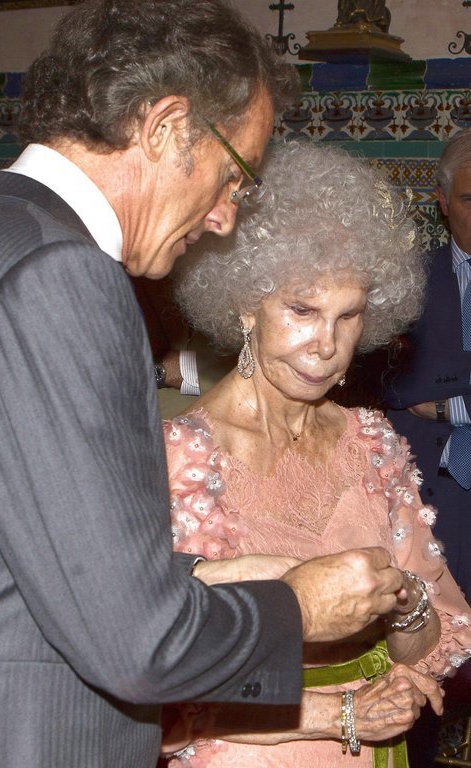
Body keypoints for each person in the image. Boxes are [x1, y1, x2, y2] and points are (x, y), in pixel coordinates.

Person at [0, 2, 408, 767]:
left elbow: (16, 556)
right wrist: (298, 608)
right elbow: (136, 647)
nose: (223, 220)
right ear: (167, 127)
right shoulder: (64, 273)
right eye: (233, 175)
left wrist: (202, 576)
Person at [161, 141, 471, 767]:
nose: (326, 345)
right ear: (245, 303)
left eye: (348, 316)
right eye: (302, 310)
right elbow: (157, 685)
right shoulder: (177, 458)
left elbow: (440, 636)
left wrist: (405, 605)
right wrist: (341, 714)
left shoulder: (372, 442)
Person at [385, 128, 471, 605]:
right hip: (429, 489)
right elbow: (389, 384)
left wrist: (449, 405)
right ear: (442, 200)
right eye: (469, 200)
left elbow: (423, 393)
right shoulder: (409, 277)